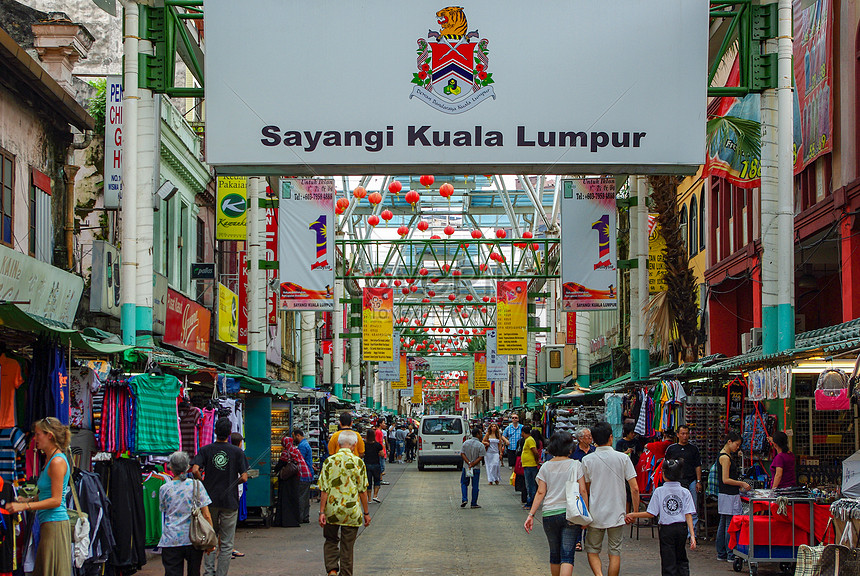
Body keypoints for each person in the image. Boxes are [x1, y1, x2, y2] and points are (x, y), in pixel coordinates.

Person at [6, 417, 71, 576]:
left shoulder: (57, 462)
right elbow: (46, 493)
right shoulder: (50, 459)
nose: (34, 438)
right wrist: (28, 500)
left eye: (38, 434)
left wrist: (24, 506)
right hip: (48, 524)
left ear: (49, 435)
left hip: (55, 525)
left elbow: (56, 500)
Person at [524, 431, 588, 576]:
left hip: (549, 514)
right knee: (567, 555)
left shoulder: (546, 466)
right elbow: (583, 491)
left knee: (554, 554)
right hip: (570, 514)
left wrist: (531, 515)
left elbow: (540, 493)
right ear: (570, 448)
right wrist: (585, 514)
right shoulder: (575, 465)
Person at [192, 418, 249, 576]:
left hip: (209, 502)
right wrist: (233, 481)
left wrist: (203, 482)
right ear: (230, 433)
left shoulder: (205, 450)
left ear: (215, 431)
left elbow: (195, 469)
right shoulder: (237, 452)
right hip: (230, 501)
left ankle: (208, 572)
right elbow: (244, 477)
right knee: (226, 543)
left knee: (210, 537)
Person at [582, 421, 639, 576]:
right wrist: (633, 512)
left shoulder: (587, 460)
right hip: (617, 512)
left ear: (593, 439)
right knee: (615, 552)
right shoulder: (623, 458)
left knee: (593, 550)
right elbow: (634, 488)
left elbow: (585, 489)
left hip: (595, 513)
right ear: (611, 437)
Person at [625, 459, 696, 576]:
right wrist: (692, 535)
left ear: (663, 474)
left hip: (666, 530)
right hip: (681, 528)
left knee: (668, 560)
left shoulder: (659, 491)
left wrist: (633, 514)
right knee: (681, 558)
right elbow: (688, 514)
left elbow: (651, 513)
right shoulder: (685, 492)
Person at [319, 430, 370, 576]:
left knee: (330, 540)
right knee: (347, 547)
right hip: (351, 512)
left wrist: (321, 512)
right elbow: (362, 491)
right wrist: (366, 513)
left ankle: (332, 570)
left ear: (338, 444)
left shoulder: (329, 461)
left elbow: (324, 489)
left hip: (332, 510)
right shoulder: (358, 462)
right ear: (354, 445)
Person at [157, 451, 215, 576]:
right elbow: (206, 514)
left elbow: (163, 510)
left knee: (172, 573)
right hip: (194, 538)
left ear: (171, 467)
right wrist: (210, 540)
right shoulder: (196, 485)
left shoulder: (164, 488)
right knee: (194, 572)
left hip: (171, 539)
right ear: (187, 467)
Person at [716, 431, 750, 562]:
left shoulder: (725, 456)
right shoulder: (725, 458)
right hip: (729, 494)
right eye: (737, 444)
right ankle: (730, 553)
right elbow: (725, 479)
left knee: (724, 523)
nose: (737, 447)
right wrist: (741, 483)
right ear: (729, 442)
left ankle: (722, 553)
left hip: (726, 494)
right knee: (729, 525)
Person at [664, 424, 702, 536]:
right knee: (677, 507)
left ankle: (691, 534)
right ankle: (678, 532)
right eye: (682, 433)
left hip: (691, 481)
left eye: (686, 433)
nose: (685, 436)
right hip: (676, 482)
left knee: (692, 508)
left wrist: (698, 481)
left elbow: (697, 465)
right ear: (678, 434)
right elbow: (666, 465)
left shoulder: (693, 449)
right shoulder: (672, 449)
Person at [460, 426, 487, 508]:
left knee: (464, 483)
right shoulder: (480, 445)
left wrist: (468, 463)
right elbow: (481, 457)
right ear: (478, 434)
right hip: (475, 468)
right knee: (475, 485)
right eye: (480, 433)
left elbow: (462, 453)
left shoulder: (465, 443)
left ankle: (464, 498)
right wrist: (473, 463)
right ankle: (473, 503)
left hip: (466, 467)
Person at [293, 429, 315, 523]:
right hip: (308, 474)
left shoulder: (302, 446)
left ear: (298, 435)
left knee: (301, 497)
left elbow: (299, 460)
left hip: (303, 474)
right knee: (305, 497)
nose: (293, 438)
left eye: (294, 436)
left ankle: (300, 517)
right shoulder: (306, 444)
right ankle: (305, 516)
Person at [521, 425, 541, 509]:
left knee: (530, 485)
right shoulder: (528, 440)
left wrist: (536, 460)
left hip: (530, 465)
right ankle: (530, 502)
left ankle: (531, 503)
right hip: (528, 465)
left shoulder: (529, 440)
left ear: (523, 432)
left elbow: (535, 452)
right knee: (530, 484)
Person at [363, 429, 384, 503]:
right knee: (377, 480)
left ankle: (369, 499)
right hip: (376, 464)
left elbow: (362, 454)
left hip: (367, 464)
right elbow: (382, 454)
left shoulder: (364, 444)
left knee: (368, 482)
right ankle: (375, 495)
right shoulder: (377, 445)